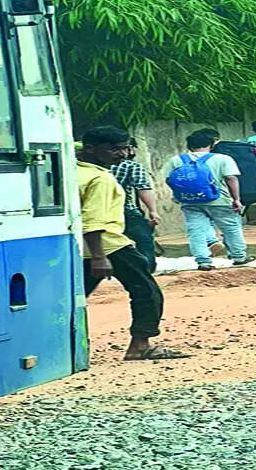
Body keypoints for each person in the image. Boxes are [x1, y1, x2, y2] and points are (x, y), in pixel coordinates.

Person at [78, 126, 185, 361]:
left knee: (75, 297)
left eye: (125, 148)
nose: (123, 154)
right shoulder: (100, 178)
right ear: (91, 149)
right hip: (108, 245)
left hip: (79, 247)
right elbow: (92, 220)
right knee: (146, 291)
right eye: (114, 149)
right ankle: (140, 345)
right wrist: (99, 256)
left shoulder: (72, 168)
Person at [163, 128, 256, 271]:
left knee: (196, 230)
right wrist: (236, 199)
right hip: (220, 200)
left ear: (189, 145)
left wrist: (180, 194)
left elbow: (169, 180)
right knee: (231, 228)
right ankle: (239, 257)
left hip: (190, 201)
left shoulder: (176, 160)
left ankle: (203, 261)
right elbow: (231, 178)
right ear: (212, 144)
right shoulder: (222, 158)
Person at [109, 137, 159, 271]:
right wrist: (153, 210)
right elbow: (143, 188)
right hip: (124, 210)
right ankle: (146, 270)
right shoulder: (130, 166)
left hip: (94, 212)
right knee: (143, 239)